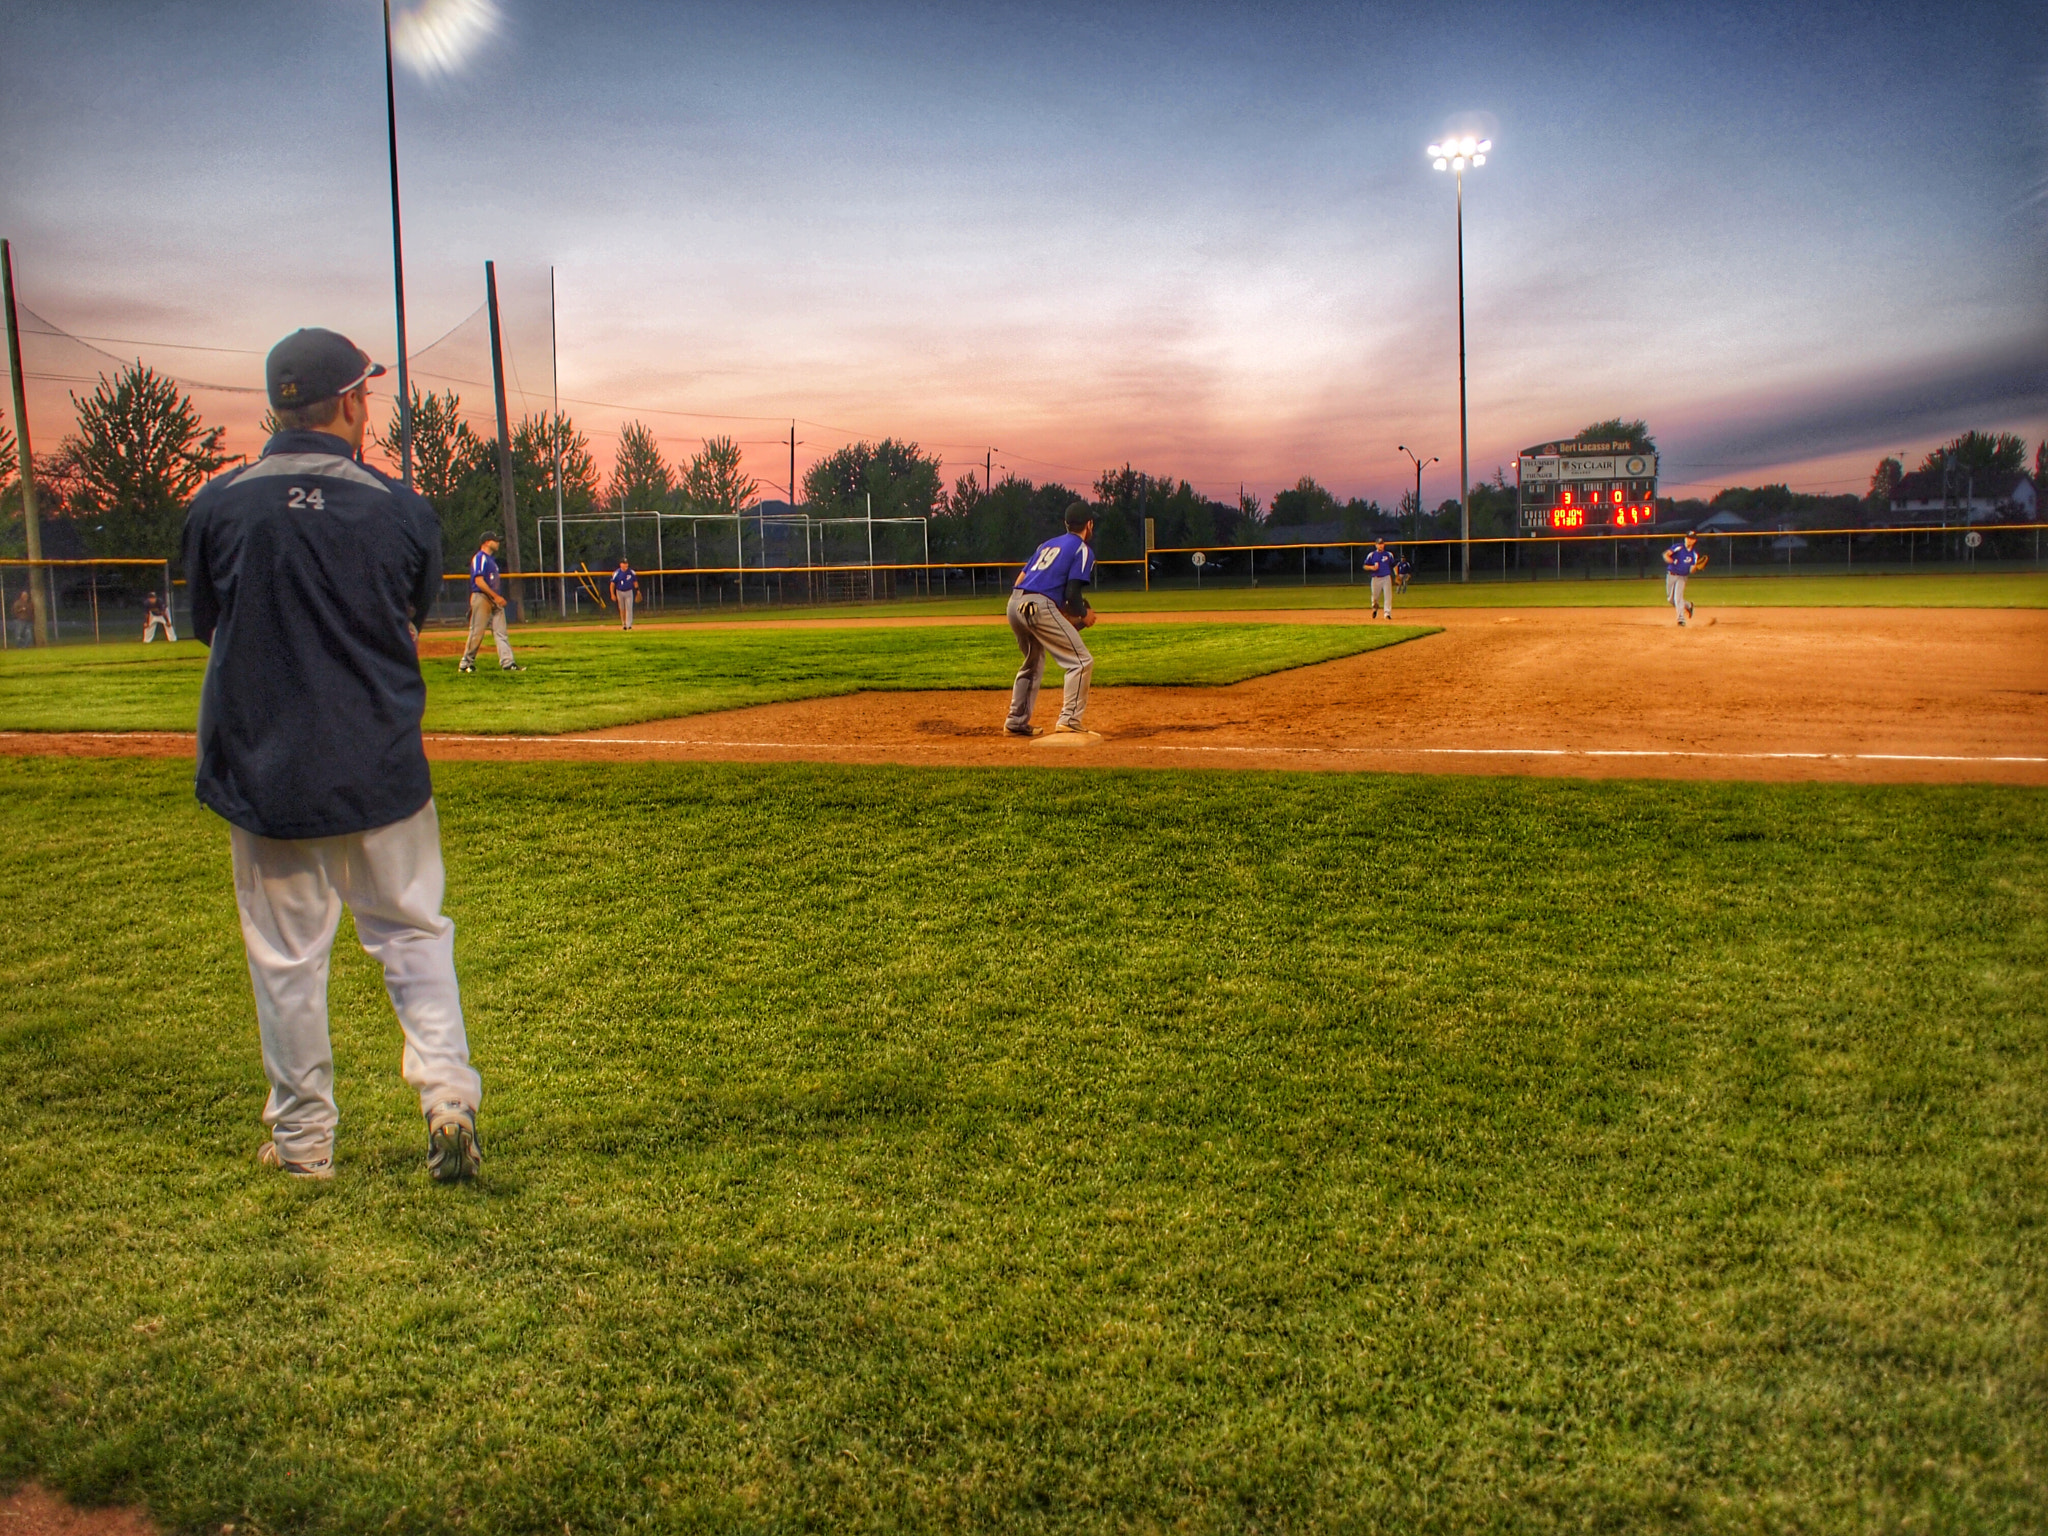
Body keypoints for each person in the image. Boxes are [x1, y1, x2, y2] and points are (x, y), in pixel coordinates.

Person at [180, 326, 484, 1183]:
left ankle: (306, 1143)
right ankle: (448, 1100)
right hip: (381, 764)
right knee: (414, 936)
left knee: (287, 959)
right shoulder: (397, 506)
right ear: (352, 401)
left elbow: (210, 624)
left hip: (265, 771)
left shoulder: (219, 503)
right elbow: (409, 613)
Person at [1005, 501, 1098, 738]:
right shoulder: (1082, 548)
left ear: (1066, 524)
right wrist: (1083, 614)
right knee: (1080, 661)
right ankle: (1069, 720)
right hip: (1038, 606)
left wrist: (1056, 612)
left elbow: (1021, 579)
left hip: (1014, 603)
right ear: (1089, 524)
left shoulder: (1046, 545)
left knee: (1032, 662)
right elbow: (1072, 594)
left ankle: (1016, 722)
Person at [459, 533, 521, 673]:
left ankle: (508, 663)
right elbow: (479, 581)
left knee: (501, 633)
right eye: (495, 540)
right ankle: (466, 664)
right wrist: (495, 596)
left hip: (493, 599)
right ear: (486, 542)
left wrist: (496, 597)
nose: (498, 543)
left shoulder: (491, 560)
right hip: (482, 597)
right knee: (477, 632)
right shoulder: (480, 558)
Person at [1664, 530, 1707, 625]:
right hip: (1671, 575)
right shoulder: (1678, 547)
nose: (1688, 540)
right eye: (1687, 538)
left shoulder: (1694, 555)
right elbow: (1666, 554)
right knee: (1670, 600)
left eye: (1691, 538)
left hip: (1682, 577)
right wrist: (1671, 560)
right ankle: (1688, 605)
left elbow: (1691, 570)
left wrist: (1695, 567)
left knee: (1677, 598)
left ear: (1694, 541)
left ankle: (1681, 619)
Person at [1363, 538, 1396, 619]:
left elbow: (1394, 565)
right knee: (1375, 597)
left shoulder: (1388, 554)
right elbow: (1365, 566)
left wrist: (1397, 575)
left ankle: (1387, 613)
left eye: (1382, 544)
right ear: (1376, 545)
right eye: (1379, 544)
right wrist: (1372, 568)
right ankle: (1374, 608)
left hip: (1386, 577)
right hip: (1375, 578)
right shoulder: (1372, 555)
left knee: (1388, 596)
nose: (1381, 545)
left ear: (1384, 544)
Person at [610, 556, 638, 630]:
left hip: (629, 591)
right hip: (619, 592)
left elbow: (635, 582)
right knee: (622, 608)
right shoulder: (617, 573)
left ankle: (629, 624)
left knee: (629, 608)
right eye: (624, 563)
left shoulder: (631, 572)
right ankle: (624, 624)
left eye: (626, 563)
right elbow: (612, 584)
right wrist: (612, 594)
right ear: (620, 564)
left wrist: (637, 591)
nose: (626, 565)